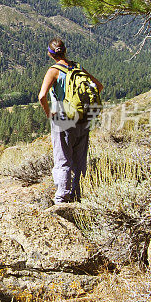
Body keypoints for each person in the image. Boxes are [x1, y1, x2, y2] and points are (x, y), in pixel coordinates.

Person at [37, 38, 103, 204]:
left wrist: (49, 113)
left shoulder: (53, 71)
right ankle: (78, 195)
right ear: (65, 51)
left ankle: (62, 199)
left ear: (50, 54)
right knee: (80, 160)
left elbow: (42, 96)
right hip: (83, 118)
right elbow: (99, 86)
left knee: (63, 160)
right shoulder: (77, 67)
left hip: (63, 118)